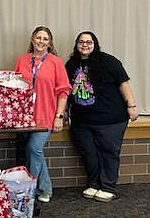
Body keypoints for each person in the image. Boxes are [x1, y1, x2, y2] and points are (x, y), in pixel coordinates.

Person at [65, 31, 138, 203]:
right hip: (82, 121)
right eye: (81, 42)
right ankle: (94, 184)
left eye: (89, 42)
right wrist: (66, 112)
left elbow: (123, 83)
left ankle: (108, 187)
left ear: (95, 44)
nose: (85, 45)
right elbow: (66, 91)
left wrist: (132, 105)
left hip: (110, 119)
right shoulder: (71, 64)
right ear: (76, 44)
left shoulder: (108, 61)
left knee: (108, 152)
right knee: (89, 153)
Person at [14, 26, 71, 203]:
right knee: (34, 152)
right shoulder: (22, 60)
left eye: (45, 39)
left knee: (34, 149)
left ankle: (30, 189)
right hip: (25, 116)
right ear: (32, 39)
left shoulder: (56, 62)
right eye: (38, 38)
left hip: (46, 114)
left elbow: (64, 91)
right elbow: (15, 86)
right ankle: (45, 188)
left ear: (50, 42)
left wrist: (59, 116)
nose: (41, 41)